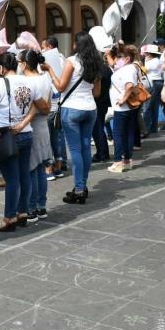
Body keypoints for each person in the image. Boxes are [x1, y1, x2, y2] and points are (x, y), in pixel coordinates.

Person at [43, 32, 102, 204]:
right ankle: (81, 186)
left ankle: (78, 189)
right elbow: (96, 92)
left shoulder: (72, 61)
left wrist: (50, 71)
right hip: (90, 108)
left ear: (77, 45)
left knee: (75, 150)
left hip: (72, 109)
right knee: (85, 149)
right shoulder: (97, 62)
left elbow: (61, 87)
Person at [0, 53, 38, 231]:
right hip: (26, 133)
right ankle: (22, 212)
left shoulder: (0, 83)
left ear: (0, 68)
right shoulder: (28, 81)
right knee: (24, 174)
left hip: (5, 136)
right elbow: (37, 105)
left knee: (11, 179)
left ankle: (9, 217)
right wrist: (23, 123)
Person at [19, 49, 53, 221]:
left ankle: (32, 207)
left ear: (24, 64)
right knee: (40, 168)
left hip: (31, 126)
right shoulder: (45, 78)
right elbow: (48, 104)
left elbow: (31, 107)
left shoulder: (26, 82)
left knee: (31, 168)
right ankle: (41, 206)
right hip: (43, 126)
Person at [107, 45, 139, 173]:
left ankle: (118, 161)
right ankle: (127, 159)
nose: (117, 59)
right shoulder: (127, 68)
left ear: (127, 58)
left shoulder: (128, 69)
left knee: (118, 134)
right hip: (126, 107)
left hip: (123, 107)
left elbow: (130, 85)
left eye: (120, 57)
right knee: (127, 132)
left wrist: (123, 99)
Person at [41, 37, 67, 180]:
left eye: (43, 47)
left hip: (50, 105)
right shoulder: (64, 60)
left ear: (49, 47)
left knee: (47, 139)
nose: (42, 50)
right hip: (59, 104)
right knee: (56, 138)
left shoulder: (48, 63)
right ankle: (58, 167)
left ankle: (49, 169)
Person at [92, 49, 112, 164]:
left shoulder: (97, 70)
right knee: (99, 127)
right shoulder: (107, 69)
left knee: (97, 128)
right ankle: (103, 152)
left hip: (97, 101)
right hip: (104, 101)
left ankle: (102, 153)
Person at [143, 45, 164, 134]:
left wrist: (143, 63)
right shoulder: (157, 60)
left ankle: (146, 128)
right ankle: (153, 127)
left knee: (147, 106)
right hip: (158, 82)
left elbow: (144, 70)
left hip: (152, 83)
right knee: (154, 106)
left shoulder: (152, 61)